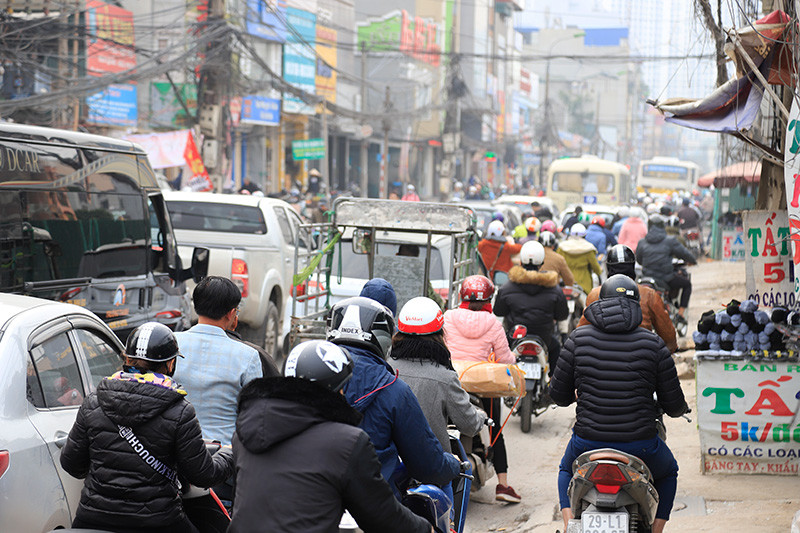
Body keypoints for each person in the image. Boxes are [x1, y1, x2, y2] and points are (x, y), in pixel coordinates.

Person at [229, 340, 433, 533]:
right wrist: (426, 529)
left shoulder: (244, 433)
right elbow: (383, 518)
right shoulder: (347, 443)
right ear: (336, 389)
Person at [60, 323, 234, 533]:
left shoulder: (93, 402)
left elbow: (71, 464)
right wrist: (229, 455)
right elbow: (203, 475)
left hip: (93, 518)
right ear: (170, 364)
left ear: (126, 360)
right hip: (159, 522)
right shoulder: (180, 411)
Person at [550, 275, 689, 533]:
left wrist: (575, 395)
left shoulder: (577, 340)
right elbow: (672, 403)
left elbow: (558, 394)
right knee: (669, 472)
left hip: (587, 442)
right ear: (637, 304)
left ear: (600, 302)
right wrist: (680, 409)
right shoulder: (654, 344)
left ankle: (570, 526)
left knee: (565, 470)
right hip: (641, 446)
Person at [327, 296, 461, 497]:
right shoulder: (394, 389)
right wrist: (453, 464)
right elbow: (428, 466)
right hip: (375, 503)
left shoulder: (305, 376)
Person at [443, 275, 521, 503]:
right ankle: (503, 485)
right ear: (489, 299)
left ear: (462, 296)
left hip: (450, 382)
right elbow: (506, 360)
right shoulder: (493, 323)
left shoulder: (448, 317)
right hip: (482, 387)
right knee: (495, 431)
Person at [173, 276, 263, 446]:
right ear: (231, 314)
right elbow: (254, 416)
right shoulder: (248, 356)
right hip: (223, 455)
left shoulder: (172, 343)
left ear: (196, 306)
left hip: (174, 450)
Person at [577, 244, 678, 353]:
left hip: (602, 356)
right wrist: (669, 350)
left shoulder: (595, 294)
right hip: (641, 356)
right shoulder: (648, 295)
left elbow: (581, 332)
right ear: (632, 267)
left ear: (608, 269)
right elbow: (668, 335)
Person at [494, 241, 569, 374]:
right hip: (544, 338)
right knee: (556, 347)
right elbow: (562, 315)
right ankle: (553, 381)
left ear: (521, 262)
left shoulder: (507, 287)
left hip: (515, 336)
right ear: (541, 263)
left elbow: (499, 311)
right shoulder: (554, 289)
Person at [636, 214, 696, 318]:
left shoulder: (642, 242)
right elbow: (684, 254)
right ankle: (680, 314)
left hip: (646, 278)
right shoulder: (670, 241)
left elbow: (639, 260)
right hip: (666, 278)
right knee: (687, 284)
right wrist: (693, 261)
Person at [395, 244, 446, 309]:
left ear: (397, 255)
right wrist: (440, 301)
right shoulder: (419, 276)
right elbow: (431, 297)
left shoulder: (387, 273)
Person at [556, 224, 602, 295]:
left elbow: (557, 264)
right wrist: (600, 271)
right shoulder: (589, 249)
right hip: (584, 286)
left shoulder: (562, 247)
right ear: (584, 235)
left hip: (566, 284)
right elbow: (596, 268)